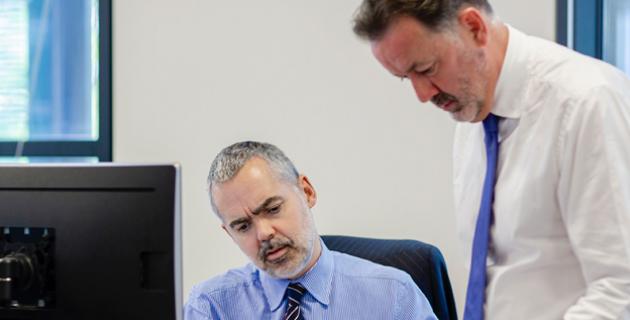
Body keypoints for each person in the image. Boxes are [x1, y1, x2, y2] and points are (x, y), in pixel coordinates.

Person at [352, 0, 630, 319]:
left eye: (426, 69)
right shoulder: (474, 116)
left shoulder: (587, 102)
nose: (422, 95)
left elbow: (621, 289)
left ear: (474, 27)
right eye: (406, 77)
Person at [184, 141, 437, 319]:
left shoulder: (393, 295)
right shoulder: (210, 307)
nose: (263, 233)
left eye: (272, 209)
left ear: (307, 192)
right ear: (229, 233)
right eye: (242, 226)